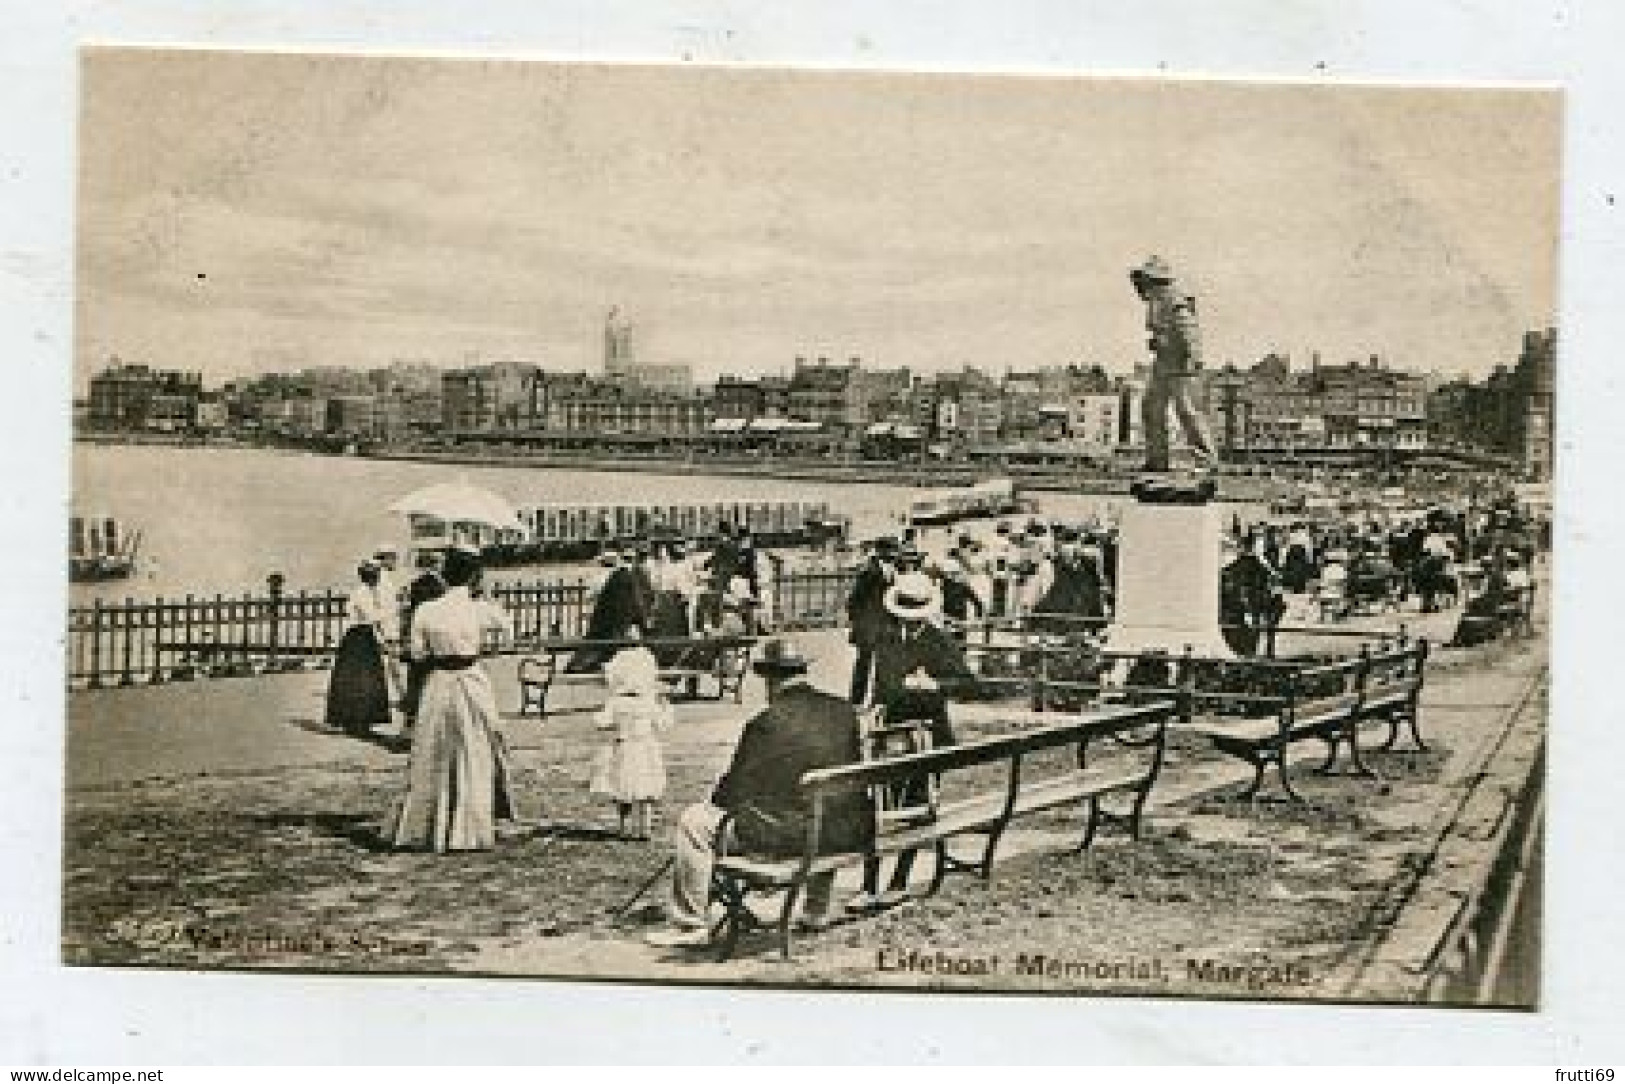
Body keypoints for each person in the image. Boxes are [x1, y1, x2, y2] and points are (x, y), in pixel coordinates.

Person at [644, 640, 871, 948]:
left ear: (770, 680)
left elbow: (731, 794)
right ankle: (815, 910)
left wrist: (724, 800)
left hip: (797, 837)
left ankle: (691, 923)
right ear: (802, 672)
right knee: (822, 805)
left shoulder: (765, 724)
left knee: (694, 822)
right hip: (844, 830)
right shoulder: (842, 712)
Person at [383, 547, 520, 853]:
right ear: (473, 577)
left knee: (433, 749)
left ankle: (431, 824)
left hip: (439, 682)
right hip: (471, 680)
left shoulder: (427, 610)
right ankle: (468, 825)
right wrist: (483, 601)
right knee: (475, 746)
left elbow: (418, 653)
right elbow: (508, 630)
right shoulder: (477, 609)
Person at [1130, 255, 1218, 472]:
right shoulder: (1155, 301)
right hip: (1163, 362)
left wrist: (1195, 358)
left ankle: (1206, 461)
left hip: (1181, 363)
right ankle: (1157, 461)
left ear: (1154, 280)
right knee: (1151, 407)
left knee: (1187, 411)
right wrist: (1156, 342)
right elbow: (1162, 331)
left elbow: (1190, 331)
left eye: (1144, 280)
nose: (1141, 286)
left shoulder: (1175, 299)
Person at [590, 634, 675, 840]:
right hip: (645, 748)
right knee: (645, 789)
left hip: (624, 748)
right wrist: (667, 707)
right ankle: (644, 827)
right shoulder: (648, 702)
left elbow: (602, 722)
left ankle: (623, 825)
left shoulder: (616, 702)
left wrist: (598, 716)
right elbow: (663, 724)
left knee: (622, 788)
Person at [325, 560, 394, 737]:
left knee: (362, 678)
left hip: (362, 636)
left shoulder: (366, 593)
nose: (377, 578)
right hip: (360, 637)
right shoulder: (362, 594)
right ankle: (357, 721)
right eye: (375, 574)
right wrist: (391, 612)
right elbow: (371, 616)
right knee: (361, 679)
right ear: (369, 576)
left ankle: (361, 720)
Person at [398, 549, 447, 735]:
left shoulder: (414, 584)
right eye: (439, 563)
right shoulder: (440, 587)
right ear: (434, 565)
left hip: (416, 636)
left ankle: (409, 729)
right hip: (432, 638)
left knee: (415, 682)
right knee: (431, 683)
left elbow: (408, 613)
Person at [845, 537, 898, 704]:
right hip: (868, 627)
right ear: (881, 552)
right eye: (891, 551)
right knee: (864, 664)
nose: (894, 555)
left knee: (884, 663)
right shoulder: (869, 571)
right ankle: (856, 701)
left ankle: (878, 700)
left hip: (884, 625)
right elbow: (853, 600)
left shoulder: (891, 571)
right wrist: (859, 623)